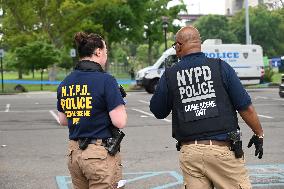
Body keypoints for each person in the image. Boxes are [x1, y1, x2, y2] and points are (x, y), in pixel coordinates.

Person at [149, 26, 264, 189]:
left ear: (179, 45)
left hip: (191, 153)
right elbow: (246, 108)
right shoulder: (220, 67)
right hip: (222, 152)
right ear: (199, 43)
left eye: (175, 47)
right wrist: (258, 133)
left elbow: (158, 111)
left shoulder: (170, 74)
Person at [57, 32, 127, 189]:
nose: (106, 56)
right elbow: (120, 121)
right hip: (98, 155)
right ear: (98, 52)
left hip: (74, 153)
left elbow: (62, 120)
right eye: (106, 51)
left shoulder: (65, 82)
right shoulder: (106, 81)